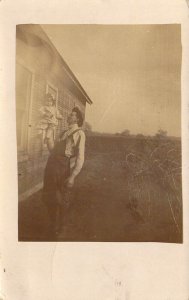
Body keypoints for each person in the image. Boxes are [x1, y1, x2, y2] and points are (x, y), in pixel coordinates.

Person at [42, 106, 85, 238]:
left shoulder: (80, 133)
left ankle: (61, 227)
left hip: (61, 168)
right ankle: (52, 224)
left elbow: (80, 157)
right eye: (69, 114)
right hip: (51, 166)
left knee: (60, 199)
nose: (69, 116)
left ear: (77, 118)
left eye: (72, 115)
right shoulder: (63, 133)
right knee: (48, 197)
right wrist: (49, 134)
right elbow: (52, 150)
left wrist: (72, 176)